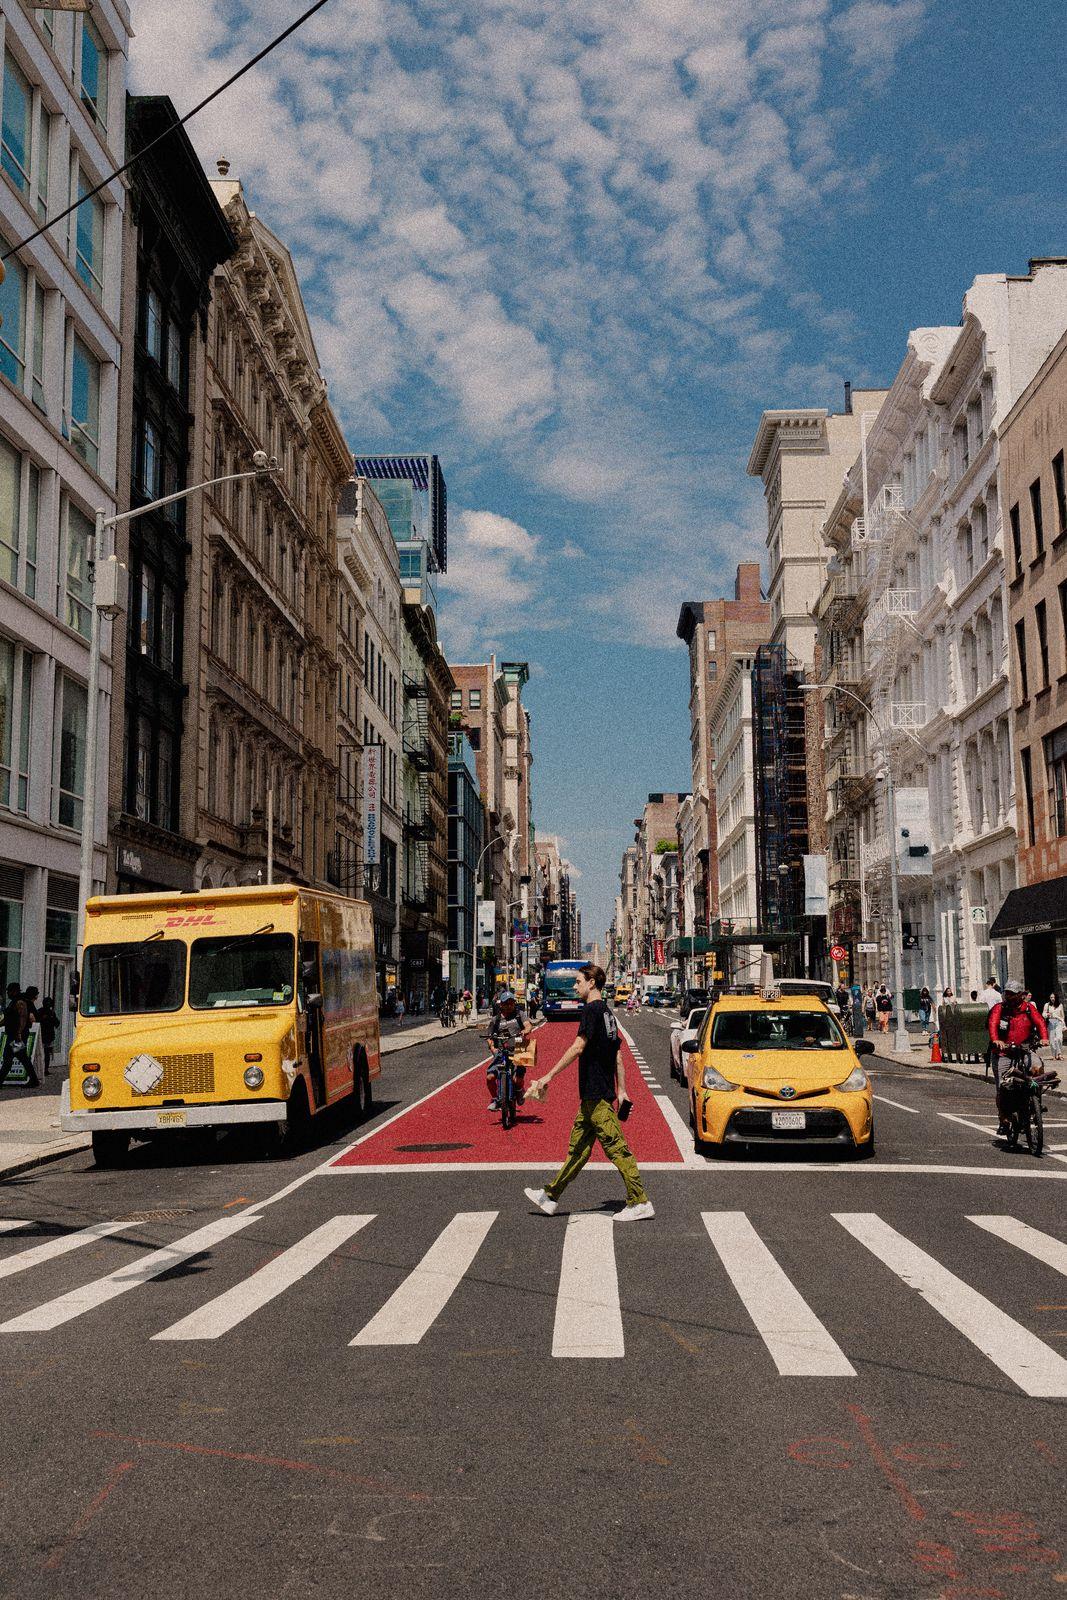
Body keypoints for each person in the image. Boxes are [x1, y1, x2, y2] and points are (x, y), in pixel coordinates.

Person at [524, 963, 653, 1222]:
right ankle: (550, 1196)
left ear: (591, 983)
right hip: (594, 1096)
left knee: (617, 1148)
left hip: (597, 1095)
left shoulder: (592, 1011)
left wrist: (549, 1075)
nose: (575, 986)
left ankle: (640, 1201)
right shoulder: (607, 1014)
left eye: (578, 981)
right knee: (578, 1150)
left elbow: (577, 1047)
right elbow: (617, 1055)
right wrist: (622, 1091)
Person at [988, 978, 1047, 1133]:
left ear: (1021, 995)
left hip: (1025, 1050)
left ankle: (1036, 1104)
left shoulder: (1028, 1008)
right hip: (1003, 1053)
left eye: (1012, 994)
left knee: (1037, 1069)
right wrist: (996, 1040)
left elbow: (1040, 1022)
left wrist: (1044, 1037)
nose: (1008, 996)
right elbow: (992, 1024)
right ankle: (1004, 1119)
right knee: (1003, 1086)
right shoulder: (999, 1009)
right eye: (1006, 993)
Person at [486, 990, 532, 1108]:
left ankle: (519, 1090)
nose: (509, 1005)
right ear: (501, 1004)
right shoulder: (495, 1020)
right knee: (490, 1077)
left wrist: (525, 1030)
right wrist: (492, 1048)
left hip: (519, 1047)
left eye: (511, 1003)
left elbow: (528, 1025)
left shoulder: (519, 1014)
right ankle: (496, 1099)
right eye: (506, 1003)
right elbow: (489, 1037)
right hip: (501, 1051)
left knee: (517, 1081)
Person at [0, 982, 39, 1089]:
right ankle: (34, 1080)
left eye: (9, 991)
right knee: (21, 1057)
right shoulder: (13, 1002)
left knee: (8, 1057)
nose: (7, 993)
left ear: (14, 991)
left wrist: (19, 1033)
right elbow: (8, 1018)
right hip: (14, 1035)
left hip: (16, 1036)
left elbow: (23, 1018)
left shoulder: (20, 1002)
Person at [38, 997, 59, 1076]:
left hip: (47, 1035)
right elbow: (57, 1023)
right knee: (45, 1053)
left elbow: (56, 1023)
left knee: (46, 1053)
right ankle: (44, 1069)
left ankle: (45, 1069)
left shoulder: (50, 1013)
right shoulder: (46, 1012)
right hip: (44, 1035)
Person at [1043, 992, 1064, 1061]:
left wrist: (1063, 1024)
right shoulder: (1047, 1005)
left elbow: (1062, 1016)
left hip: (1058, 1022)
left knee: (1059, 1038)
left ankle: (1059, 1053)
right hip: (1051, 1022)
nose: (1052, 998)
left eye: (1054, 997)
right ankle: (1054, 1055)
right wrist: (1047, 1015)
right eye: (1051, 997)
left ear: (1056, 998)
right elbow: (1043, 1014)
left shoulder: (1060, 1005)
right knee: (1052, 1040)